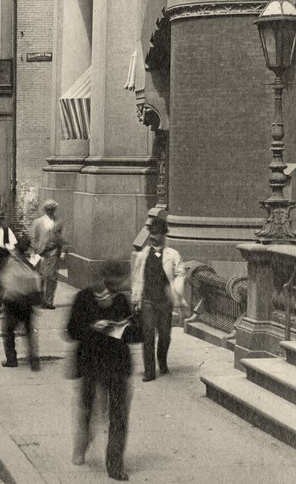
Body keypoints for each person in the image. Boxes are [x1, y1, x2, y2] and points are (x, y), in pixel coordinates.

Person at [67, 259, 141, 481]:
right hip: (92, 364)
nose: (120, 285)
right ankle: (81, 446)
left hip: (118, 367)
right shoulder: (84, 298)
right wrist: (93, 328)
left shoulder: (123, 302)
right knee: (88, 411)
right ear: (106, 279)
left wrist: (129, 326)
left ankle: (115, 465)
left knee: (118, 417)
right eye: (117, 280)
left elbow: (137, 335)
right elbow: (71, 331)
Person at [131, 215, 184, 381]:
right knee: (148, 337)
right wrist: (135, 299)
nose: (152, 237)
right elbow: (136, 278)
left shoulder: (173, 255)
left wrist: (176, 291)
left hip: (164, 302)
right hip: (147, 301)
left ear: (163, 235)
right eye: (151, 233)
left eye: (156, 233)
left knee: (165, 335)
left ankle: (162, 361)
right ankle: (149, 372)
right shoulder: (142, 256)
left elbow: (180, 273)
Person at [0, 244, 42, 369]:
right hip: (27, 302)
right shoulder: (28, 264)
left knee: (8, 331)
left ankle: (11, 359)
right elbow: (35, 280)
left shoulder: (12, 262)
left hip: (12, 302)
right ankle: (34, 359)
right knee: (29, 332)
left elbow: (5, 281)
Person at [29, 199, 69, 310]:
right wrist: (34, 251)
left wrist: (64, 251)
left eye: (52, 209)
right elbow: (33, 238)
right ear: (45, 210)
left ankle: (49, 301)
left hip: (53, 252)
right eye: (48, 209)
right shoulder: (38, 222)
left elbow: (63, 237)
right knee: (42, 277)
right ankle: (41, 300)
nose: (50, 211)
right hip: (41, 253)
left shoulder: (58, 222)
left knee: (52, 277)